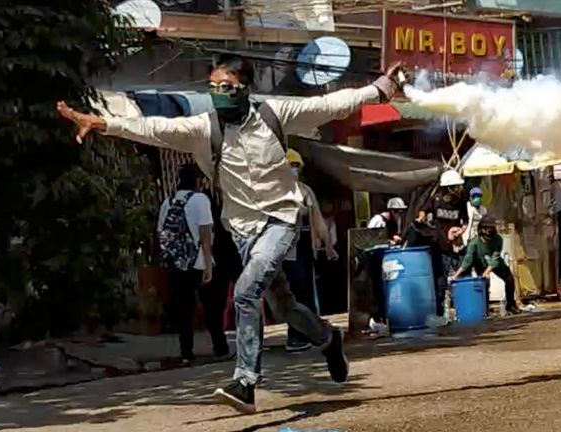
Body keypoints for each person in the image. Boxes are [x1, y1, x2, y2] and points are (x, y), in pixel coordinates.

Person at [57, 54, 407, 414]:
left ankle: (245, 381)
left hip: (280, 219)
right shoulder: (204, 129)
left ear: (244, 87)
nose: (218, 95)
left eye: (225, 88)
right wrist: (102, 123)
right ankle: (326, 338)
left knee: (245, 292)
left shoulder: (275, 114)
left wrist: (381, 88)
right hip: (241, 229)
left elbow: (331, 104)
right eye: (212, 88)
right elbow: (154, 128)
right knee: (283, 305)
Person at [157, 164, 226, 364]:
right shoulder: (200, 200)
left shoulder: (167, 203)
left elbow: (161, 234)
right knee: (211, 307)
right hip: (198, 263)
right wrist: (209, 266)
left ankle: (186, 352)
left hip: (177, 265)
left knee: (184, 309)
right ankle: (220, 347)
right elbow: (205, 235)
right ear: (197, 180)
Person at [283, 149, 339, 353]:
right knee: (293, 293)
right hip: (285, 249)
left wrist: (328, 246)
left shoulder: (305, 191)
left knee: (306, 290)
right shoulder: (274, 192)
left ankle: (312, 333)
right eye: (290, 165)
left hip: (305, 247)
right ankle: (295, 335)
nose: (293, 170)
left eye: (296, 166)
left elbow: (318, 222)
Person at [449, 217, 520, 315]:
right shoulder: (474, 243)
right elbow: (467, 261)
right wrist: (455, 276)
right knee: (484, 284)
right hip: (480, 263)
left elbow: (495, 258)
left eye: (492, 227)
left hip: (495, 263)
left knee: (510, 279)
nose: (490, 230)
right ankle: (484, 309)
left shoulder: (498, 239)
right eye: (488, 228)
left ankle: (511, 305)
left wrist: (487, 272)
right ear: (482, 229)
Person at [426, 169, 469, 276]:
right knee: (440, 277)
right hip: (438, 246)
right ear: (448, 188)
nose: (459, 189)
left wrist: (461, 231)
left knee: (459, 275)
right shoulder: (435, 200)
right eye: (456, 187)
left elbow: (466, 221)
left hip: (455, 247)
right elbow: (423, 211)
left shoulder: (461, 202)